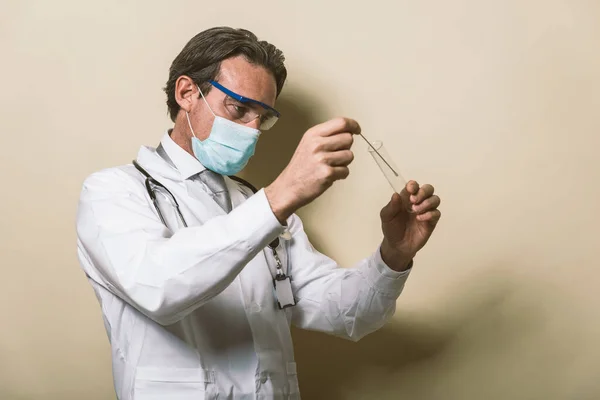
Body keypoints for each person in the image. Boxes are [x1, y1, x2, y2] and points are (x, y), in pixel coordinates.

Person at [76, 27, 441, 400]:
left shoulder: (260, 207)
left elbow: (348, 315)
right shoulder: (112, 192)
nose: (252, 131)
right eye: (239, 109)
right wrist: (280, 196)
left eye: (262, 117)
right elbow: (158, 287)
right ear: (187, 93)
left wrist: (395, 255)